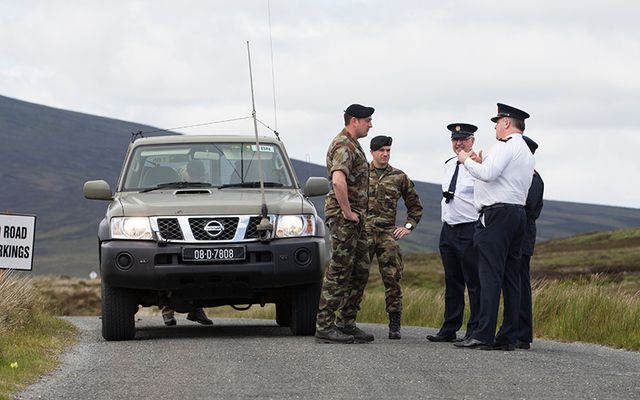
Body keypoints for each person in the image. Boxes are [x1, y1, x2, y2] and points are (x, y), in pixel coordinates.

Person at [454, 103, 535, 351]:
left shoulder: (506, 144)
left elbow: (488, 174)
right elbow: (499, 176)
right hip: (517, 214)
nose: (496, 127)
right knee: (512, 277)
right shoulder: (525, 151)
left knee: (489, 275)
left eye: (497, 122)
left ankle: (483, 334)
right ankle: (508, 335)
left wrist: (467, 161)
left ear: (507, 123)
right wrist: (480, 162)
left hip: (497, 215)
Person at [315, 103, 375, 344]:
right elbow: (338, 180)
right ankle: (325, 326)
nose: (371, 124)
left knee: (360, 269)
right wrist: (347, 211)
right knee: (340, 269)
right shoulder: (343, 145)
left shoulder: (353, 145)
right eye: (367, 120)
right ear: (354, 121)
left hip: (356, 218)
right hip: (344, 218)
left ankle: (346, 322)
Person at [427, 123, 481, 343]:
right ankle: (449, 327)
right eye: (455, 140)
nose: (459, 143)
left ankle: (475, 329)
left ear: (472, 141)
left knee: (474, 282)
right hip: (449, 228)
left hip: (470, 228)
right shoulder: (449, 164)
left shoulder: (479, 165)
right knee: (452, 281)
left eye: (463, 139)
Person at [366, 135, 423, 339]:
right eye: (381, 150)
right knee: (355, 277)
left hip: (387, 234)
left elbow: (415, 206)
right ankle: (347, 321)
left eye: (388, 150)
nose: (385, 154)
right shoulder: (361, 174)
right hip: (364, 234)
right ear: (372, 152)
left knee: (393, 278)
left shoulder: (399, 177)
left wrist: (408, 226)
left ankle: (394, 323)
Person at [162, 158, 213, 327]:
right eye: (197, 172)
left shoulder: (211, 188)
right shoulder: (175, 187)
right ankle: (171, 309)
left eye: (199, 172)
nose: (198, 175)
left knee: (203, 275)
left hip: (203, 237)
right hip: (177, 236)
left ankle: (194, 309)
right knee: (176, 275)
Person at [515, 135, 544, 349]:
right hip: (516, 235)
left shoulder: (533, 179)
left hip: (523, 236)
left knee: (521, 284)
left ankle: (523, 334)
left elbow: (527, 207)